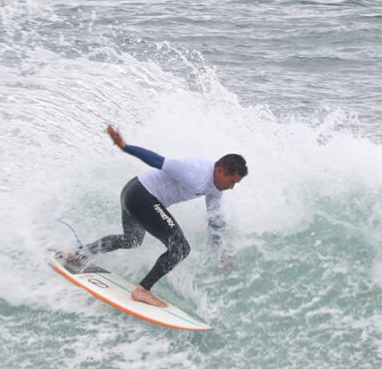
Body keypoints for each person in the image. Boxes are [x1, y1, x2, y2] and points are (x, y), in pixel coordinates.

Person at [64, 124, 247, 307]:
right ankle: (142, 290)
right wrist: (124, 146)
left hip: (133, 192)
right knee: (180, 249)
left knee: (132, 240)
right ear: (220, 171)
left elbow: (214, 220)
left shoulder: (216, 188)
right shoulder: (195, 172)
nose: (231, 187)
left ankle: (79, 254)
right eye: (231, 181)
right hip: (142, 195)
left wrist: (219, 250)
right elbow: (158, 160)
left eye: (235, 184)